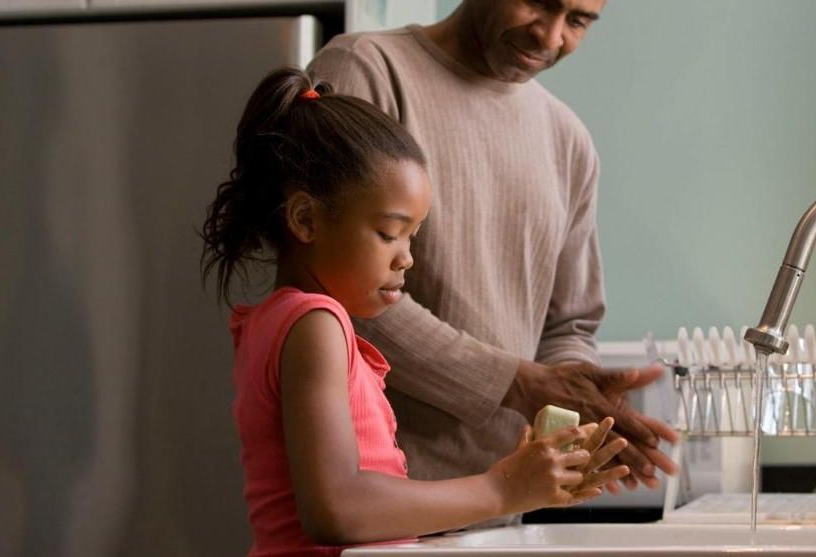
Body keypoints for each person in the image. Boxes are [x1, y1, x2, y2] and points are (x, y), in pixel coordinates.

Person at [200, 67, 629, 556]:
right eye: (388, 233)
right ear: (305, 219)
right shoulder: (315, 324)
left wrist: (517, 475)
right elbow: (337, 508)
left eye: (412, 236)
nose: (406, 257)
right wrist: (501, 488)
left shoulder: (280, 321)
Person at [307, 0, 678, 495]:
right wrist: (518, 383)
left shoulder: (567, 140)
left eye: (578, 21)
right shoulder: (366, 70)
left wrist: (574, 396)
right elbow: (334, 286)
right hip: (377, 501)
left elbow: (570, 323)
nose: (550, 38)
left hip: (504, 505)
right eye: (539, 4)